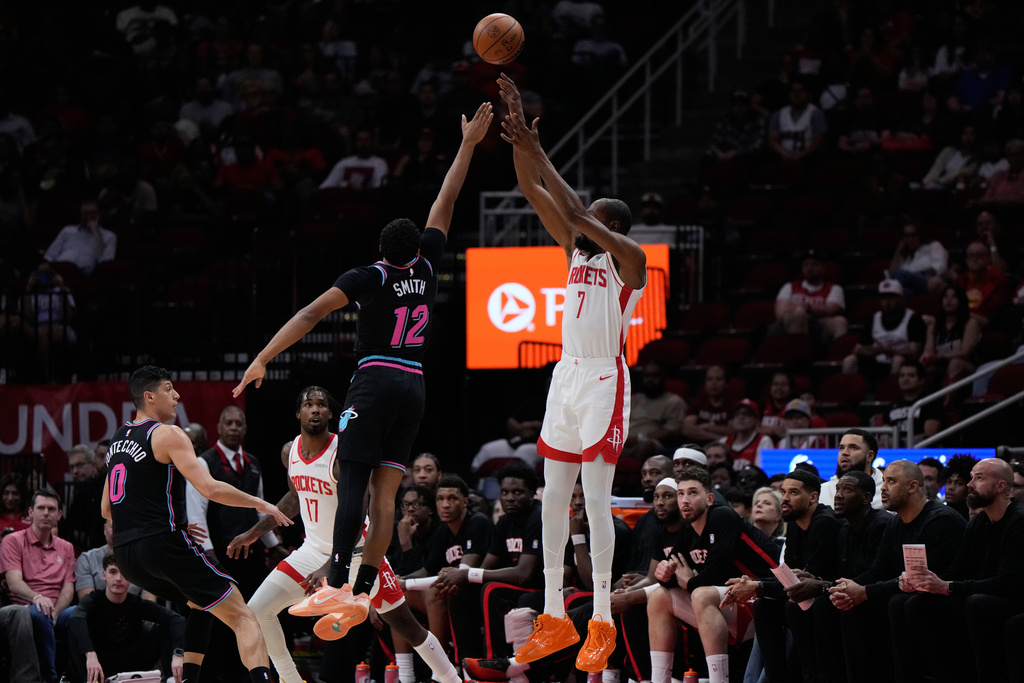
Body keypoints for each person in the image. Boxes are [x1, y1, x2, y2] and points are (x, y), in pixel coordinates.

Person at [232, 102, 493, 636]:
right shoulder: (427, 263)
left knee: (351, 481)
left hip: (375, 380)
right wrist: (467, 144)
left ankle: (336, 583)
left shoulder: (369, 275)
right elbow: (446, 201)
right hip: (415, 384)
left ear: (380, 248)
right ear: (415, 246)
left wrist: (262, 357)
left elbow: (309, 314)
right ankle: (360, 590)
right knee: (385, 497)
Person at [498, 73, 648, 674]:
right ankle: (556, 616)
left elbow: (576, 209)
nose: (581, 230)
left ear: (612, 230)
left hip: (604, 381)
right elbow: (533, 190)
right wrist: (516, 131)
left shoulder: (629, 264)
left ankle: (603, 620)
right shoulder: (576, 252)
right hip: (566, 377)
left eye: (595, 225)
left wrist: (540, 150)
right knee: (551, 500)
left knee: (595, 499)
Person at [226, 386, 463, 683]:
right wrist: (254, 532)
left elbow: (356, 514)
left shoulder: (343, 453)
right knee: (258, 609)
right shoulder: (291, 452)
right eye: (309, 404)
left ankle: (451, 678)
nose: (315, 409)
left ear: (331, 414)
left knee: (407, 626)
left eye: (321, 405)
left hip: (357, 553)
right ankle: (291, 679)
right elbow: (293, 498)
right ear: (298, 413)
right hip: (311, 551)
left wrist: (330, 567)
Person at [101, 365, 292, 683]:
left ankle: (189, 678)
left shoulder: (117, 440)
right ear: (149, 396)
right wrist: (259, 502)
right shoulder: (167, 434)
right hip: (161, 543)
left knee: (201, 605)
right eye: (168, 388)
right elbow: (210, 488)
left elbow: (108, 509)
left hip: (127, 555)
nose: (176, 395)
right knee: (243, 615)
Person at [828, 461, 966, 683]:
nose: (882, 488)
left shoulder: (941, 520)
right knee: (848, 604)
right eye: (883, 481)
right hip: (909, 593)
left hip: (949, 598)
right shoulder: (896, 523)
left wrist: (864, 591)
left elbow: (921, 581)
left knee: (902, 603)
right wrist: (846, 588)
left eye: (890, 481)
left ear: (912, 487)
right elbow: (878, 570)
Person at [894, 458, 1024, 683]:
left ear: (1001, 486)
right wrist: (923, 582)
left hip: (1014, 597)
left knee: (978, 603)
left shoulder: (1019, 521)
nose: (970, 484)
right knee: (912, 603)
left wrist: (948, 587)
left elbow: (1008, 582)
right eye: (971, 477)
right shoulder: (978, 522)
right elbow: (957, 570)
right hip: (983, 594)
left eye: (979, 478)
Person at [649, 466, 780, 683]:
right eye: (681, 494)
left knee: (701, 594)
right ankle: (659, 679)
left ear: (709, 498)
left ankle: (719, 680)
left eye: (693, 493)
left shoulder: (722, 516)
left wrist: (689, 581)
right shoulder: (688, 528)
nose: (685, 500)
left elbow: (714, 576)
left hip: (766, 597)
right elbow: (671, 576)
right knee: (658, 597)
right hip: (731, 602)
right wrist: (664, 573)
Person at [744, 469, 842, 683]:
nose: (785, 498)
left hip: (833, 596)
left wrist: (757, 585)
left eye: (793, 492)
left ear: (813, 497)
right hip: (807, 599)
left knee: (794, 606)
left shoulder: (825, 524)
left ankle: (810, 677)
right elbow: (789, 577)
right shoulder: (796, 525)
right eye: (783, 491)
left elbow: (808, 584)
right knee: (763, 606)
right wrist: (754, 584)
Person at [186, 406, 285, 599]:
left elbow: (261, 511)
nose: (234, 428)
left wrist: (274, 547)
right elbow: (196, 515)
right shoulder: (204, 463)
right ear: (219, 428)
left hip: (252, 554)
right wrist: (210, 557)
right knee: (224, 621)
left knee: (257, 610)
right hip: (221, 555)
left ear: (245, 429)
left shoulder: (253, 464)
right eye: (228, 423)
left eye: (238, 424)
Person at [67, 552, 186, 683]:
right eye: (113, 572)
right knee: (75, 624)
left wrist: (178, 654)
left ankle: (172, 679)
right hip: (98, 664)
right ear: (104, 575)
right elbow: (75, 618)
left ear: (131, 578)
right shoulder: (94, 600)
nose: (118, 578)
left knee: (167, 625)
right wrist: (90, 654)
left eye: (124, 573)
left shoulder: (136, 603)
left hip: (129, 665)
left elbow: (177, 619)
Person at [0, 489, 76, 683]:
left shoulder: (67, 547)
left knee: (81, 613)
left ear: (59, 515)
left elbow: (68, 587)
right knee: (40, 611)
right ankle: (50, 678)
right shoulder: (12, 541)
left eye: (51, 509)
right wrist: (37, 598)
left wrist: (57, 611)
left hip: (56, 609)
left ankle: (84, 676)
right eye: (40, 508)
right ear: (30, 513)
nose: (46, 513)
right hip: (24, 606)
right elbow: (14, 582)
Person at [843, 278, 925, 378]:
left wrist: (886, 350)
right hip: (876, 361)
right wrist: (864, 350)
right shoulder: (873, 319)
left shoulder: (913, 319)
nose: (887, 302)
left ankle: (892, 389)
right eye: (884, 298)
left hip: (903, 364)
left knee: (898, 360)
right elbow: (857, 348)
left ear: (900, 298)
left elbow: (914, 352)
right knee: (849, 360)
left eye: (891, 297)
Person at [773, 250, 848, 347]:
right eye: (806, 265)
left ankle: (839, 355)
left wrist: (808, 308)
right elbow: (781, 312)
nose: (810, 268)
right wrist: (801, 310)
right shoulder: (790, 287)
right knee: (799, 314)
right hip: (791, 324)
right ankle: (799, 354)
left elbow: (831, 309)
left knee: (840, 321)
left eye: (814, 265)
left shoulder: (834, 288)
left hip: (819, 325)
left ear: (823, 268)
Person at [626, 360, 687, 461]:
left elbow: (670, 431)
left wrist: (639, 438)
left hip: (654, 443)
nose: (650, 379)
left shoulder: (674, 401)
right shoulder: (634, 399)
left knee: (644, 445)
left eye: (655, 376)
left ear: (663, 378)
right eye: (647, 376)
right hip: (626, 441)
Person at [75, 518, 150, 600]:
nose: (118, 532)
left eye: (123, 527)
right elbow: (87, 602)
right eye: (113, 527)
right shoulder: (87, 559)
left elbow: (149, 601)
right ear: (105, 529)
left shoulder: (144, 560)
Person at [921, 284, 981, 383]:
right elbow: (928, 351)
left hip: (967, 365)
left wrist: (939, 357)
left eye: (954, 297)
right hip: (940, 364)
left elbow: (965, 352)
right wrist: (925, 358)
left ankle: (949, 398)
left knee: (955, 363)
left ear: (961, 301)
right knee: (920, 369)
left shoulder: (970, 323)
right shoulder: (934, 325)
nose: (949, 300)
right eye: (945, 297)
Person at [42, 200, 116, 276]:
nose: (88, 216)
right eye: (85, 213)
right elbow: (50, 255)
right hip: (58, 270)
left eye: (92, 213)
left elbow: (105, 262)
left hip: (81, 275)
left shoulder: (109, 236)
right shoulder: (67, 230)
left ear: (99, 214)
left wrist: (96, 232)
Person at [819, 429, 884, 509]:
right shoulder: (822, 491)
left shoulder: (886, 491)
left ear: (870, 456)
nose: (844, 452)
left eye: (853, 448)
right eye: (841, 448)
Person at [767, 79, 828, 162]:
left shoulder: (815, 113)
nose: (797, 94)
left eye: (801, 91)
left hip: (809, 159)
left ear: (807, 94)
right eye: (793, 91)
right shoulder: (779, 114)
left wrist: (800, 155)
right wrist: (785, 154)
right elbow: (773, 139)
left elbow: (819, 139)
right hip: (784, 159)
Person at [882, 361, 942, 446]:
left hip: (919, 451)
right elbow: (884, 432)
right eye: (902, 376)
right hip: (894, 451)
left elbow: (929, 435)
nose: (905, 379)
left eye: (911, 375)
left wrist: (902, 442)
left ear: (921, 380)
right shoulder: (891, 406)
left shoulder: (931, 403)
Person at [888, 218, 949, 299]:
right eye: (907, 236)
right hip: (910, 287)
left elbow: (941, 266)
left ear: (920, 234)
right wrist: (898, 250)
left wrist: (918, 274)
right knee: (901, 293)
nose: (910, 239)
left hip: (928, 282)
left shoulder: (933, 246)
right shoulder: (905, 256)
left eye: (913, 235)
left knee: (902, 275)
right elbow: (892, 273)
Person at [956, 240, 1011, 326]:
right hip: (962, 321)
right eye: (971, 255)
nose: (974, 259)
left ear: (989, 258)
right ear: (966, 259)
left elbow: (993, 311)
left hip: (988, 324)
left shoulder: (998, 280)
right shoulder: (961, 280)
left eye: (980, 255)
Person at [319, 127, 390, 191]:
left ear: (372, 142)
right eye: (360, 140)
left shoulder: (379, 163)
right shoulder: (344, 163)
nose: (363, 144)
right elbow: (328, 184)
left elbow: (379, 187)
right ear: (355, 142)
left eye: (366, 140)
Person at [66, 443, 106, 551]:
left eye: (80, 465)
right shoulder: (77, 489)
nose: (75, 471)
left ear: (93, 463)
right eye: (72, 467)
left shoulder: (105, 486)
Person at [683, 365, 735, 443]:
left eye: (718, 379)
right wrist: (719, 438)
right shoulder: (697, 404)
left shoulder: (733, 406)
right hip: (699, 446)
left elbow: (734, 430)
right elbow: (687, 430)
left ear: (727, 384)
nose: (713, 383)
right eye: (709, 379)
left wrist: (707, 427)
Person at [719, 399, 773, 470]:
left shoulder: (764, 441)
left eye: (747, 414)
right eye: (737, 414)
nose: (741, 417)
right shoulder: (724, 442)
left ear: (756, 420)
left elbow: (763, 472)